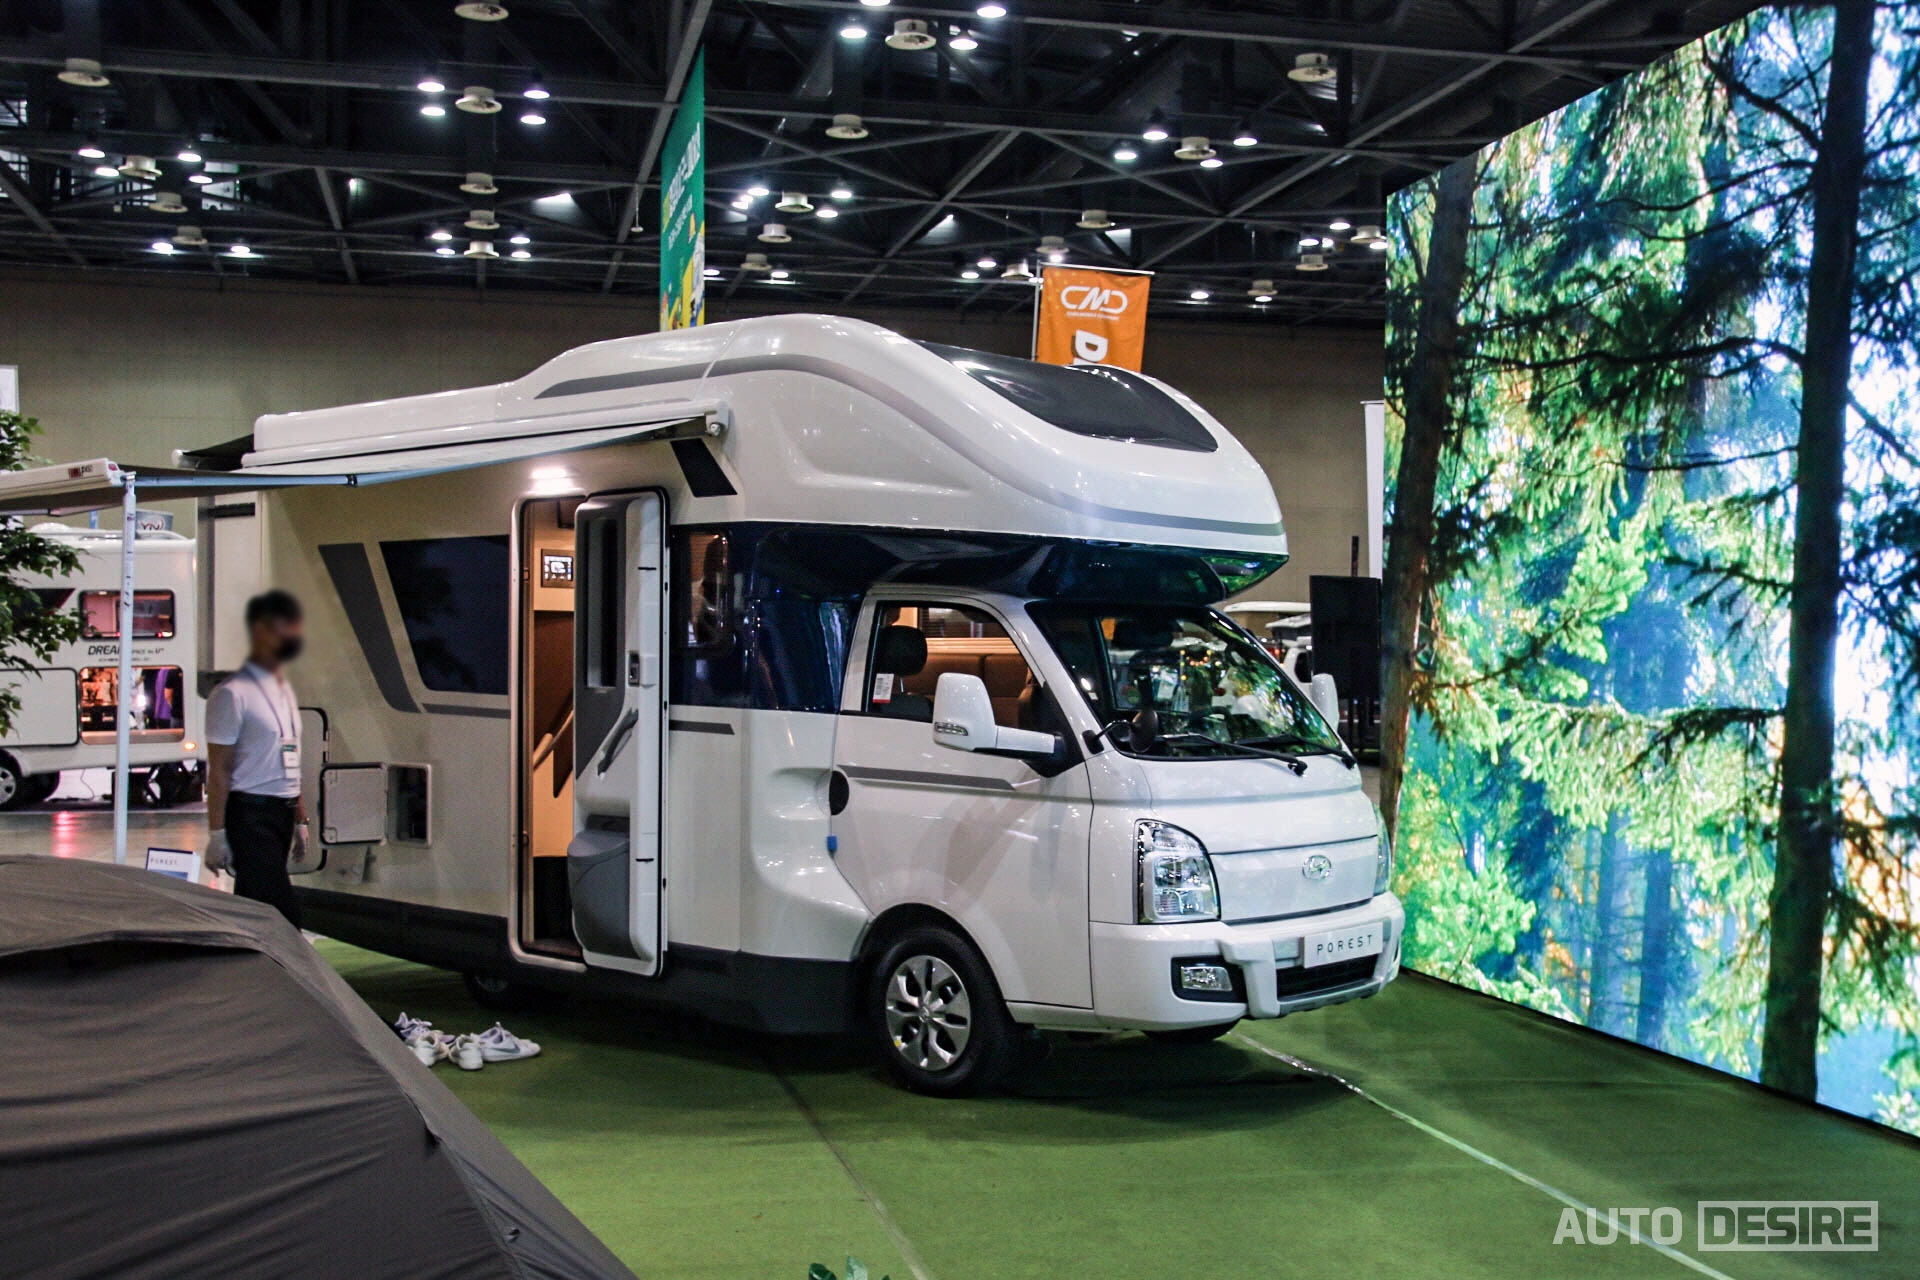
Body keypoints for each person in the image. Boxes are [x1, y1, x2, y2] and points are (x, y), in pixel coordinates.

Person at [203, 590, 310, 927]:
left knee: (255, 905)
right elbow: (219, 770)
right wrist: (217, 833)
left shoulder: (283, 691)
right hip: (251, 812)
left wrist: (300, 818)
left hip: (281, 811)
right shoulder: (231, 694)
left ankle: (249, 956)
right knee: (279, 910)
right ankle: (288, 957)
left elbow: (290, 757)